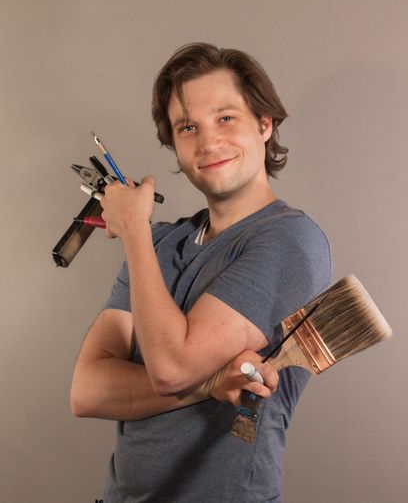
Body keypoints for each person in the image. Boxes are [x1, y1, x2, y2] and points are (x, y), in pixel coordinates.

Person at [71, 42, 332, 503]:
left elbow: (170, 370)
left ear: (264, 124)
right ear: (174, 143)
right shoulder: (161, 244)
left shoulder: (288, 240)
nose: (208, 142)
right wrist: (211, 386)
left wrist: (132, 229)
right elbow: (88, 390)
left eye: (226, 117)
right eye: (188, 126)